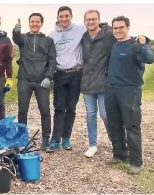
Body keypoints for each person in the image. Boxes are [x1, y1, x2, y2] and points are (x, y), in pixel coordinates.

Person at [105, 16, 154, 175]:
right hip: (111, 89)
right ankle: (119, 155)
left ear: (128, 27)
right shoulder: (114, 46)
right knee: (114, 124)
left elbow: (150, 59)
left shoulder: (135, 44)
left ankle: (136, 162)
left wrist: (143, 43)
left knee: (132, 126)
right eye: (115, 28)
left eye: (121, 27)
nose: (118, 30)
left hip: (130, 90)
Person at [12, 13, 57, 150]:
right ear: (29, 23)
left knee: (45, 110)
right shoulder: (23, 38)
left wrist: (48, 77)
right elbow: (16, 38)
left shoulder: (48, 40)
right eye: (32, 21)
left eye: (37, 22)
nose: (35, 24)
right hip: (24, 80)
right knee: (22, 110)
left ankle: (45, 139)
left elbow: (52, 60)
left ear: (41, 23)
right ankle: (22, 138)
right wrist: (16, 31)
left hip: (41, 81)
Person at [47, 6, 87, 152]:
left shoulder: (80, 29)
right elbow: (48, 56)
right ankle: (55, 140)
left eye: (66, 16)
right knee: (59, 107)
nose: (64, 19)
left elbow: (99, 30)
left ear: (71, 16)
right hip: (60, 73)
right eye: (61, 16)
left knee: (71, 107)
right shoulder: (51, 35)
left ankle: (66, 138)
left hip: (76, 73)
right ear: (57, 17)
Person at [80, 9, 117, 158]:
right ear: (85, 21)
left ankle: (116, 143)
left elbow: (124, 39)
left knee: (105, 114)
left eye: (93, 19)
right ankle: (92, 145)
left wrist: (143, 39)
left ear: (99, 20)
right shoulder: (84, 37)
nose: (91, 21)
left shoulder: (108, 34)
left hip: (103, 82)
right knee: (90, 115)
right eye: (88, 19)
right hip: (87, 83)